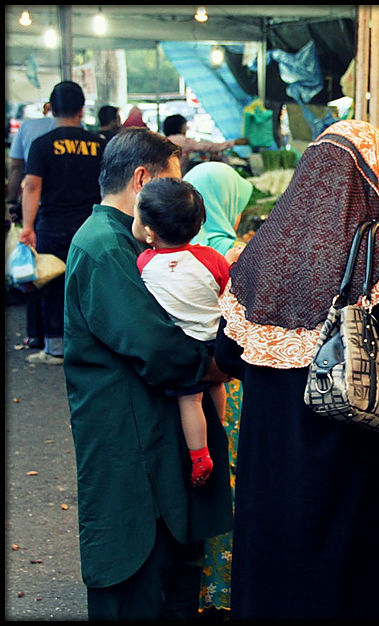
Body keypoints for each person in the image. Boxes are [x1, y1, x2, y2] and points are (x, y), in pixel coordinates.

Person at [216, 119, 379, 620]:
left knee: (280, 574)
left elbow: (227, 354)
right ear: (370, 180)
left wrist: (278, 361)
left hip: (272, 456)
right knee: (351, 580)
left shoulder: (261, 249)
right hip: (353, 458)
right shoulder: (375, 250)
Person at [63, 127, 232, 620]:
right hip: (127, 438)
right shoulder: (104, 247)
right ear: (142, 181)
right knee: (134, 578)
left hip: (149, 434)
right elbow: (157, 347)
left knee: (170, 568)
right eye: (172, 185)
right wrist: (219, 364)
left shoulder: (132, 239)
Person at [182, 161, 254, 616]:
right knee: (234, 480)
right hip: (230, 383)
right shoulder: (237, 254)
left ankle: (201, 585)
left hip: (185, 384)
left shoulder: (173, 251)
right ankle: (229, 585)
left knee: (202, 481)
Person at [132, 177, 231, 488]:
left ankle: (199, 454)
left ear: (149, 232)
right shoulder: (211, 259)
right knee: (217, 386)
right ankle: (221, 431)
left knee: (189, 401)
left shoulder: (143, 263)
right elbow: (228, 294)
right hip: (217, 343)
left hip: (183, 348)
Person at [19, 81, 105, 365]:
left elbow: (31, 186)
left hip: (52, 226)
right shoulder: (99, 145)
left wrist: (27, 226)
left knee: (53, 285)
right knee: (91, 286)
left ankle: (56, 348)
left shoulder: (41, 145)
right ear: (82, 110)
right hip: (91, 226)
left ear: (51, 109)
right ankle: (94, 345)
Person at [6, 99, 56, 351]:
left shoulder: (29, 129)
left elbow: (18, 170)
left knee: (38, 272)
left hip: (36, 209)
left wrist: (13, 204)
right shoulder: (85, 137)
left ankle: (37, 335)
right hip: (69, 210)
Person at [183, 161, 254, 264]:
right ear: (224, 206)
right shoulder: (237, 252)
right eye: (238, 207)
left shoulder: (169, 245)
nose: (240, 214)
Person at [162, 114, 248, 175]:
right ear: (180, 127)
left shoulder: (165, 140)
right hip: (173, 177)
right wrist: (233, 142)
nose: (186, 129)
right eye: (185, 126)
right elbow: (208, 146)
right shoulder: (181, 140)